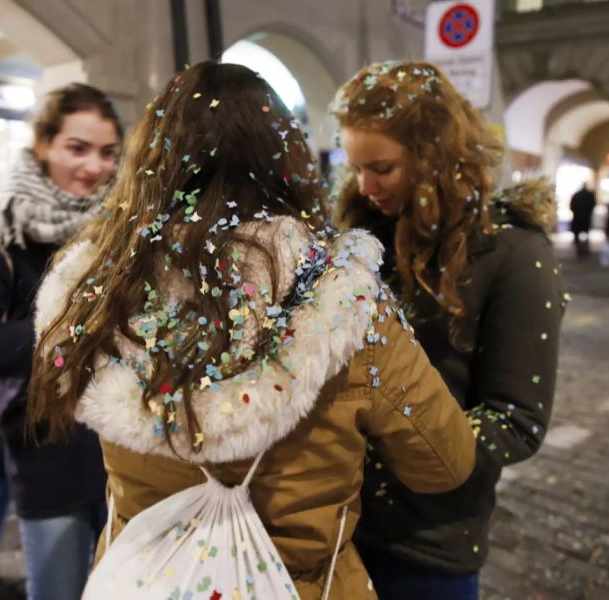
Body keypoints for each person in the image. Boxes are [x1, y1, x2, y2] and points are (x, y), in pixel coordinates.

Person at [26, 61, 477, 600]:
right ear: (288, 161)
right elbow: (446, 463)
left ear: (148, 161)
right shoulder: (343, 299)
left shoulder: (103, 292)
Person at [332, 60, 566, 600]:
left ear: (433, 155)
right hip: (338, 526)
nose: (366, 186)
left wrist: (401, 446)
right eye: (356, 168)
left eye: (382, 168)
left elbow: (517, 419)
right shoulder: (362, 233)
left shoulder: (513, 251)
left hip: (430, 544)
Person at [0, 83, 121, 598]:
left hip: (127, 457)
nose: (94, 167)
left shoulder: (126, 230)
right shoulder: (5, 231)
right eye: (77, 148)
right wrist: (64, 329)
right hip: (48, 456)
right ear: (44, 145)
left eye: (107, 152)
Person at [570, 182, 596, 259]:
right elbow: (593, 205)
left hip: (577, 218)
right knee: (586, 235)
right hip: (586, 218)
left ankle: (579, 251)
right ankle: (585, 251)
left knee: (577, 236)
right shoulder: (590, 195)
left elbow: (572, 206)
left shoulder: (576, 195)